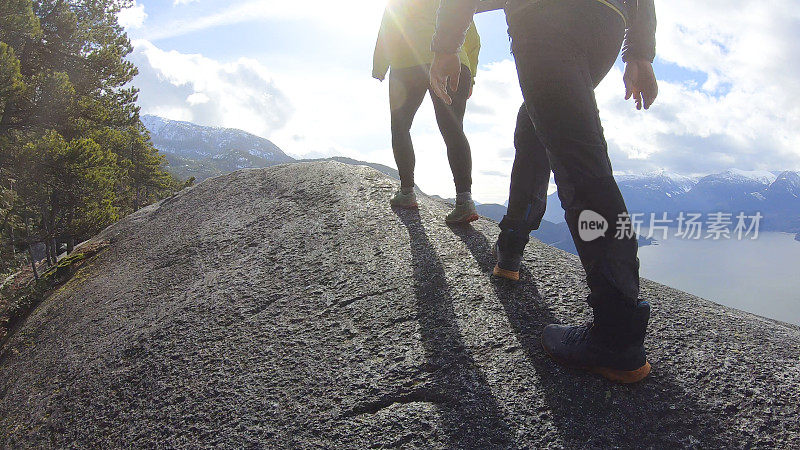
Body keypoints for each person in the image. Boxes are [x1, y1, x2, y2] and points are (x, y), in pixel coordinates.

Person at [429, 0, 658, 383]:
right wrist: (639, 52)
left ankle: (617, 335)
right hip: (608, 20)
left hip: (545, 17)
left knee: (579, 164)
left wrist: (445, 47)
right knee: (536, 124)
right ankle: (512, 247)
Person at [373, 0, 482, 223]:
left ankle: (406, 192)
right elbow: (472, 38)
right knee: (453, 129)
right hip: (454, 61)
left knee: (401, 126)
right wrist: (471, 75)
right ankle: (465, 201)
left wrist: (379, 66)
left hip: (407, 63)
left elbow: (388, 29)